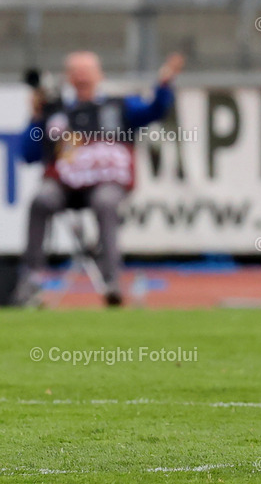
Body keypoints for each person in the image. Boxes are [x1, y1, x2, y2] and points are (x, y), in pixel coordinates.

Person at [14, 51, 185, 307]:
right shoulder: (57, 112)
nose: (82, 76)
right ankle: (32, 278)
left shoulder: (119, 106)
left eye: (87, 70)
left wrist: (164, 83)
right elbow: (27, 154)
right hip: (65, 185)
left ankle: (112, 279)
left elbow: (155, 110)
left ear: (99, 74)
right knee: (41, 199)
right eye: (76, 71)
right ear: (68, 77)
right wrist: (37, 117)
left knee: (106, 201)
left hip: (106, 183)